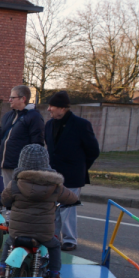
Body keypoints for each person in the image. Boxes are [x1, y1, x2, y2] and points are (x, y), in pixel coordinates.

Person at [0, 144, 78, 278]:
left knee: (8, 242)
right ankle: (54, 275)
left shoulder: (15, 184)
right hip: (43, 233)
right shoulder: (55, 186)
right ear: (45, 163)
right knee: (54, 246)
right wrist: (76, 201)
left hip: (18, 230)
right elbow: (70, 197)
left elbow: (5, 199)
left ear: (22, 162)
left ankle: (3, 268)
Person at [45, 91, 100, 252]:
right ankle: (53, 237)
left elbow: (93, 150)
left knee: (68, 209)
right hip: (52, 174)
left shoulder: (81, 125)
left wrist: (80, 167)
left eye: (52, 106)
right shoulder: (49, 125)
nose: (49, 109)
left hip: (72, 175)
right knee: (52, 208)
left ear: (62, 108)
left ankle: (69, 240)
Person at [0, 85, 45, 188]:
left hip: (22, 167)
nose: (9, 100)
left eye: (12, 97)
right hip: (5, 165)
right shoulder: (8, 116)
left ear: (23, 99)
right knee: (6, 196)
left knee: (19, 197)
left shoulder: (34, 117)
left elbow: (37, 144)